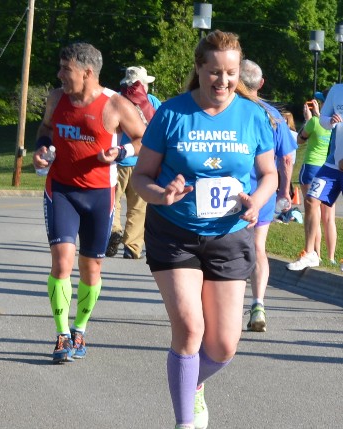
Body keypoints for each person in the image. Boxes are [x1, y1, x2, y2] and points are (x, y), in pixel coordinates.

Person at [131, 30, 277, 429]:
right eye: (214, 72)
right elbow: (140, 178)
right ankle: (183, 422)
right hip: (175, 233)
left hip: (229, 235)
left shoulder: (253, 115)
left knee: (224, 345)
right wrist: (162, 194)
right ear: (199, 69)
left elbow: (269, 175)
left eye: (230, 73)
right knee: (191, 327)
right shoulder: (173, 113)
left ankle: (191, 384)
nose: (223, 81)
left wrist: (257, 202)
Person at [32, 42, 145, 363]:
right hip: (61, 191)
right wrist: (42, 147)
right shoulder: (57, 99)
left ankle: (80, 328)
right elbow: (46, 129)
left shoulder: (115, 105)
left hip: (99, 194)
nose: (59, 75)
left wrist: (121, 153)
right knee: (61, 262)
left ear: (87, 72)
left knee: (91, 267)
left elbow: (143, 137)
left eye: (64, 69)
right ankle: (62, 334)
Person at [238, 59, 297, 333]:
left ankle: (225, 304)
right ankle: (258, 303)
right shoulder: (273, 115)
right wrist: (284, 190)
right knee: (258, 247)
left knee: (228, 249)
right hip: (264, 191)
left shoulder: (228, 110)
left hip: (232, 193)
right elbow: (286, 158)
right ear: (261, 84)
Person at [106, 66, 159, 259]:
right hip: (142, 161)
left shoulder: (116, 101)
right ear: (143, 84)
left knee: (113, 201)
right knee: (138, 206)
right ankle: (132, 247)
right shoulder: (152, 102)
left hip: (116, 160)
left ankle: (113, 230)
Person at [286, 93, 337, 270]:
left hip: (312, 168)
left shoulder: (315, 122)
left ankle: (315, 253)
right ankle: (331, 257)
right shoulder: (336, 124)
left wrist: (310, 118)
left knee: (312, 210)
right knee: (328, 217)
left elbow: (300, 140)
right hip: (331, 167)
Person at [296, 83, 343, 272]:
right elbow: (323, 120)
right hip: (333, 162)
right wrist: (330, 121)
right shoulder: (336, 90)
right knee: (310, 200)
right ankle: (310, 254)